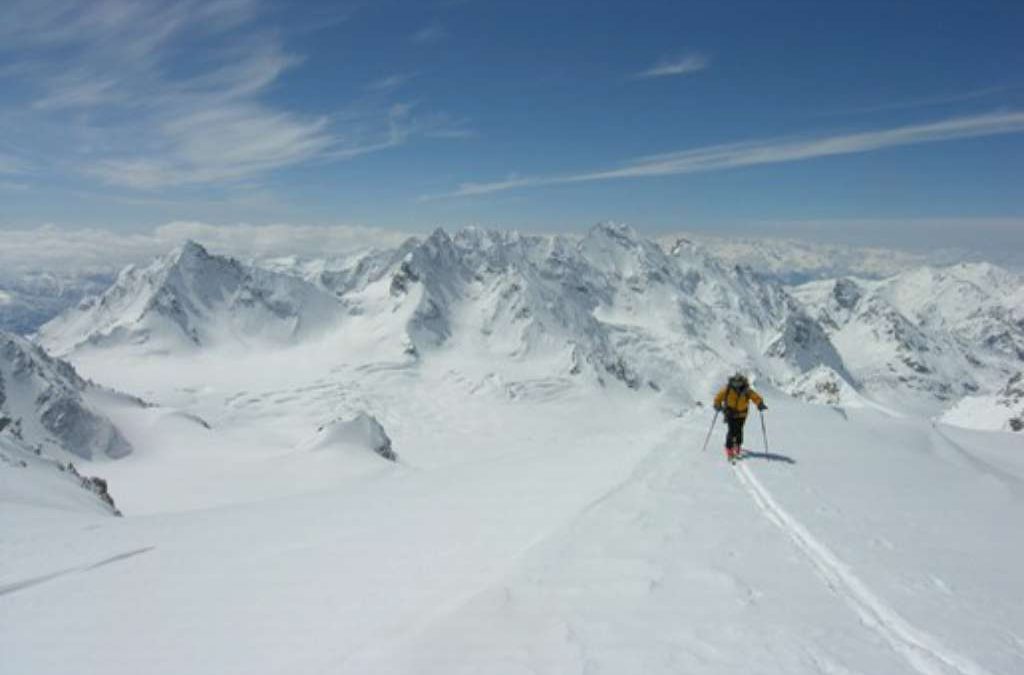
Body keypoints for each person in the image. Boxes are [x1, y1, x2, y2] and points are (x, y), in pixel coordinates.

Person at [713, 373, 766, 461]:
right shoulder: (727, 389)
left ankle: (738, 445)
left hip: (742, 414)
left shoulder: (746, 390)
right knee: (731, 431)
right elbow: (718, 397)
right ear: (732, 382)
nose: (737, 385)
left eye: (739, 383)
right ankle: (729, 448)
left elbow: (755, 397)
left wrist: (760, 403)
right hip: (730, 413)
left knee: (739, 430)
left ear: (742, 382)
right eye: (735, 383)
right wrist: (717, 404)